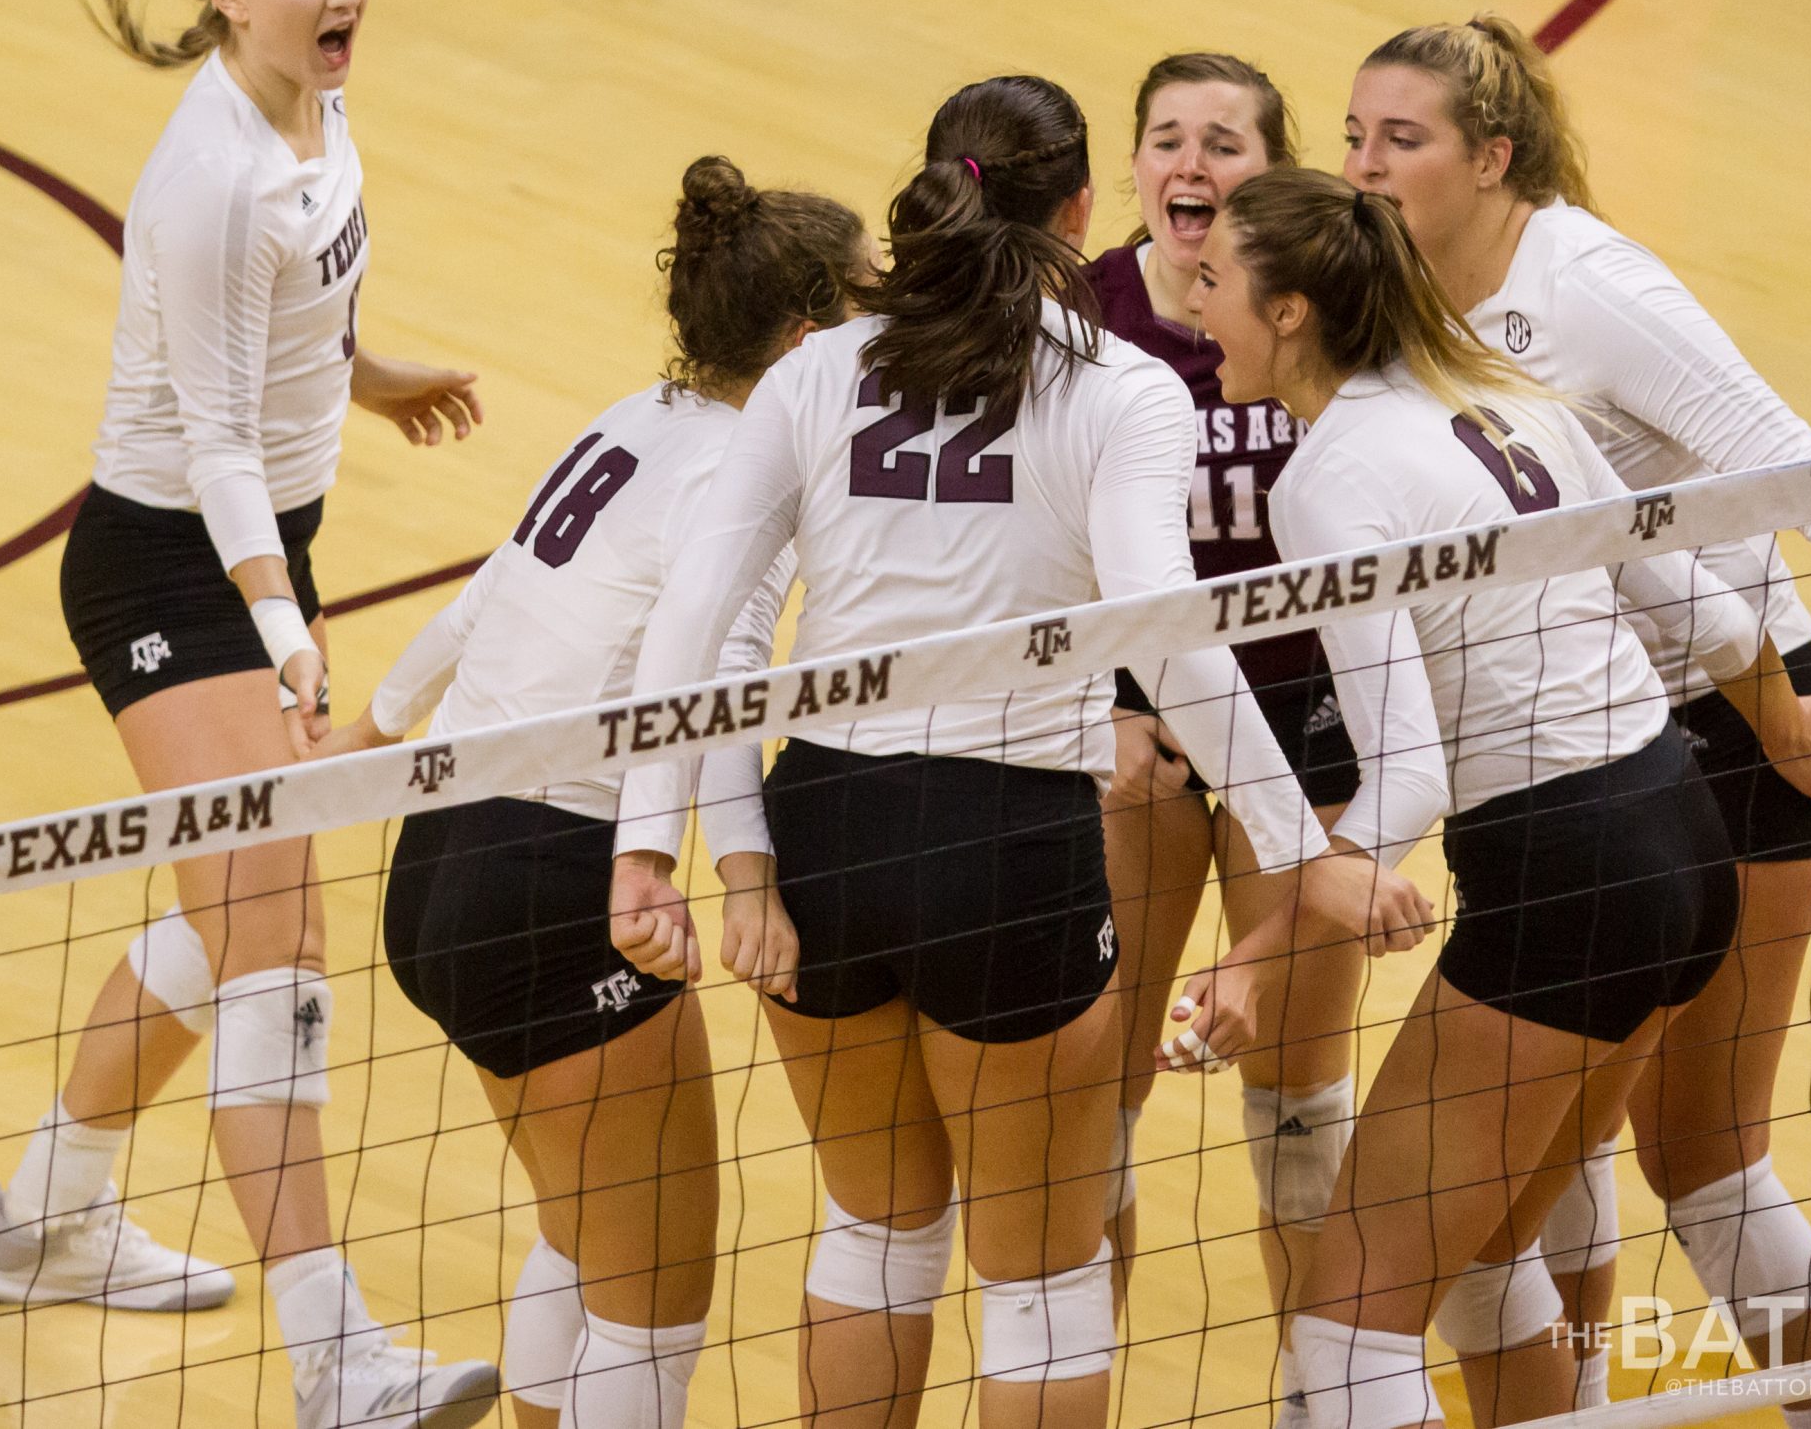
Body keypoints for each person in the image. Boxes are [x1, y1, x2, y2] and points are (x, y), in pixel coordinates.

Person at [608, 76, 1426, 1429]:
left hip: (827, 831)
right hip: (1009, 849)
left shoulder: (816, 370)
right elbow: (1169, 640)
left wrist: (661, 849)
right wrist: (1303, 853)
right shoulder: (1127, 388)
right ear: (1083, 210)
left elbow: (694, 626)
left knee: (874, 1235)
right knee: (1039, 1278)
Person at [1343, 16, 1811, 1420]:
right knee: (1556, 1152)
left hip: (1746, 725)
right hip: (1591, 752)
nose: (1364, 165)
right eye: (1356, 133)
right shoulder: (1400, 289)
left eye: (1400, 139)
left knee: (1701, 1151)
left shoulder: (1595, 288)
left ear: (1493, 155)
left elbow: (1795, 459)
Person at [1179, 167, 1811, 1429]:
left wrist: (1261, 951)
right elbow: (1704, 611)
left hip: (1563, 879)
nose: (1187, 300)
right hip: (1680, 836)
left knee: (1346, 1338)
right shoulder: (1502, 393)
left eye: (1212, 279)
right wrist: (1783, 720)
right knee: (1489, 1259)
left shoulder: (1326, 481)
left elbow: (1412, 775)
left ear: (1289, 312)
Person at [0, 0, 495, 1429]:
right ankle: (340, 1362)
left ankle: (42, 1214)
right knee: (281, 938)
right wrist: (277, 619)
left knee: (229, 909)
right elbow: (206, 440)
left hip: (264, 550)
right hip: (166, 571)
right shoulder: (207, 179)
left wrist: (371, 372)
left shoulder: (314, 102)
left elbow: (300, 305)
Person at [313, 157, 862, 1429]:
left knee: (581, 1235)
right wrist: (727, 874)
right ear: (798, 341)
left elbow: (483, 589)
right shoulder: (745, 474)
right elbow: (716, 690)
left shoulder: (635, 415)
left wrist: (374, 726)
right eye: (858, 318)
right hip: (561, 881)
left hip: (442, 866)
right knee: (651, 1308)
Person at [1084, 55, 1366, 1389]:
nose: (1190, 163)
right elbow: (1029, 536)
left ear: (1274, 168)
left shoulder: (1315, 311)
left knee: (1301, 1110)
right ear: (1133, 168)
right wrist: (1098, 710)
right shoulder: (1078, 320)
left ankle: (1324, 1400)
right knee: (1092, 1104)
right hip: (1132, 737)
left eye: (1225, 141)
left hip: (1300, 728)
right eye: (1166, 139)